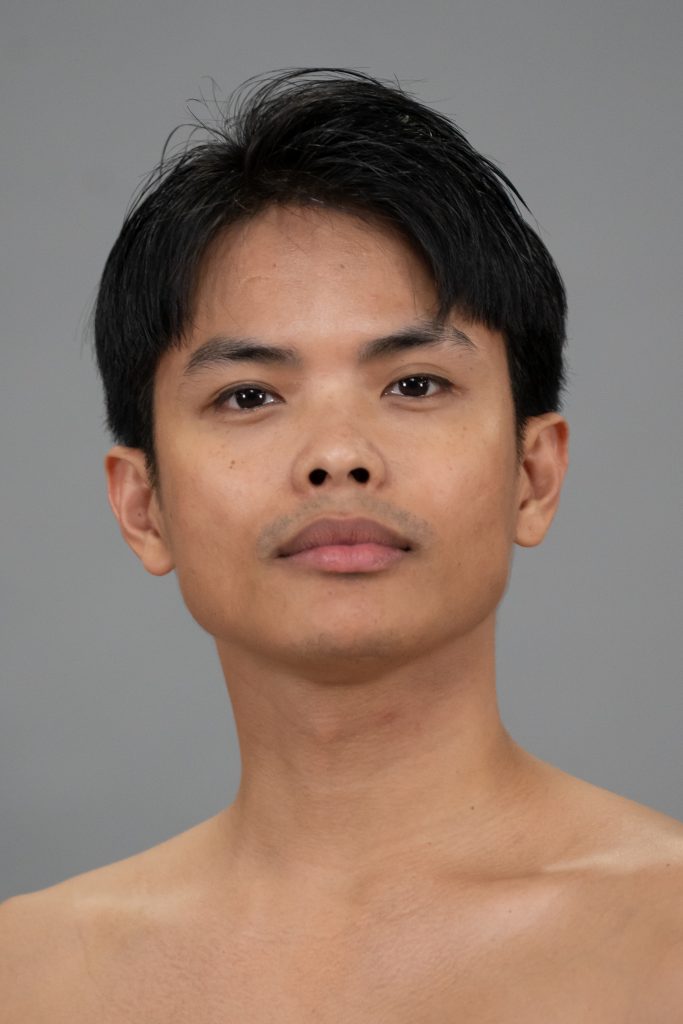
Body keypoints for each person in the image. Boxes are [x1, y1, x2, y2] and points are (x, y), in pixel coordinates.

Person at [2, 68, 682, 1022]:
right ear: (143, 506)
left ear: (532, 475)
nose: (337, 456)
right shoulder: (31, 976)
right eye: (248, 396)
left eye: (414, 385)